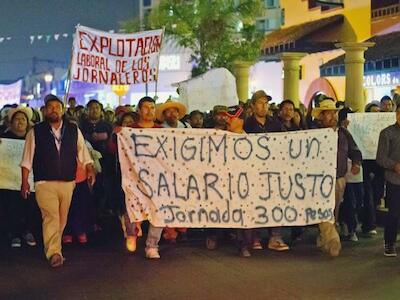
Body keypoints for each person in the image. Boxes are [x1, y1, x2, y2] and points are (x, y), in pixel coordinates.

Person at [20, 94, 95, 267]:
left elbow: (83, 152)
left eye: (57, 107)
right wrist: (25, 181)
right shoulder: (35, 132)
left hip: (68, 182)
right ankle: (54, 253)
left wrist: (90, 169)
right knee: (51, 216)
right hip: (44, 182)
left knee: (62, 218)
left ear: (62, 110)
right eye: (50, 107)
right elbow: (27, 159)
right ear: (45, 110)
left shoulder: (73, 129)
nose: (54, 109)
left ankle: (55, 246)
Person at [114, 96, 164, 259]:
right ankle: (131, 233)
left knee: (159, 210)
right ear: (139, 110)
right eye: (146, 107)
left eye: (152, 107)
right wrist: (117, 135)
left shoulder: (162, 131)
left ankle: (152, 245)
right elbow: (113, 148)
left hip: (157, 179)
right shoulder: (130, 130)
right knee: (132, 206)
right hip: (134, 177)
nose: (150, 111)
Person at [312, 99, 362, 257]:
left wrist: (356, 163)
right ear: (321, 116)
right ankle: (333, 239)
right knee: (323, 208)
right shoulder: (313, 133)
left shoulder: (343, 132)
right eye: (328, 113)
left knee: (334, 209)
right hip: (319, 178)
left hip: (339, 177)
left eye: (333, 112)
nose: (332, 115)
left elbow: (355, 150)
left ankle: (324, 237)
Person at [244, 90, 289, 252]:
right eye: (260, 103)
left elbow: (287, 141)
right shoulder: (246, 125)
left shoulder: (275, 124)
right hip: (253, 172)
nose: (264, 106)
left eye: (266, 103)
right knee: (255, 203)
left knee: (275, 203)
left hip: (273, 172)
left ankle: (275, 237)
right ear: (253, 106)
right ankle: (255, 236)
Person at [0, 106, 37, 248]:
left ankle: (27, 231)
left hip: (29, 181)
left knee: (29, 206)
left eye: (23, 119)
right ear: (11, 122)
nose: (20, 122)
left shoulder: (33, 138)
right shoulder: (3, 137)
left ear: (28, 123)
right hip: (8, 181)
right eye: (16, 119)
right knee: (11, 206)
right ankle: (14, 233)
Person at [155, 99, 190, 243]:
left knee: (184, 200)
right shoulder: (158, 130)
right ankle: (169, 231)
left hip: (184, 170)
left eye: (174, 111)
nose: (172, 114)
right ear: (164, 115)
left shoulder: (187, 127)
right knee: (168, 200)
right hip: (166, 170)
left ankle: (182, 228)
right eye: (168, 111)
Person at [376, 105, 400, 257]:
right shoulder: (387, 133)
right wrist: (395, 165)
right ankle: (389, 243)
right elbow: (381, 158)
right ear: (397, 114)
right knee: (394, 213)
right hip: (394, 180)